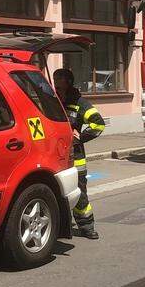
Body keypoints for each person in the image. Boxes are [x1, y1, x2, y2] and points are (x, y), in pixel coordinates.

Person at [53, 68, 105, 239]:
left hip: (76, 157)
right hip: (54, 155)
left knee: (79, 193)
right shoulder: (51, 101)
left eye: (59, 81)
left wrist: (80, 137)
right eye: (54, 81)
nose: (55, 85)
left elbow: (98, 124)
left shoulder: (80, 103)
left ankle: (86, 226)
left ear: (68, 82)